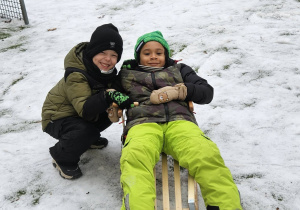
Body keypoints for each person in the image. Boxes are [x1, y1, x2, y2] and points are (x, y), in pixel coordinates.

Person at [116, 31, 243, 209]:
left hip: (180, 122)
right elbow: (106, 92)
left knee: (205, 154)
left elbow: (206, 92)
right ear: (138, 56)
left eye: (159, 53)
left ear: (166, 54)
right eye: (147, 53)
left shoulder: (179, 69)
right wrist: (112, 100)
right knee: (135, 158)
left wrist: (181, 90)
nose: (153, 57)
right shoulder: (127, 74)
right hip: (143, 123)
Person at [41, 23, 133, 180]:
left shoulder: (104, 70)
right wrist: (107, 95)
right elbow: (85, 109)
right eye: (102, 52)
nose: (108, 59)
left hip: (77, 114)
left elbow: (112, 89)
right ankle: (61, 156)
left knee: (110, 113)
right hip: (56, 117)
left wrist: (128, 72)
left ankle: (86, 139)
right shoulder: (76, 74)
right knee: (86, 130)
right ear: (92, 52)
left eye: (114, 55)